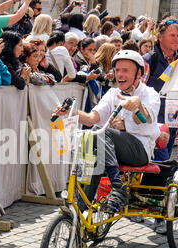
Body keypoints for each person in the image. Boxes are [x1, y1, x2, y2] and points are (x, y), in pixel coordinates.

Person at [54, 50, 160, 214]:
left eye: (126, 70)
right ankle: (80, 213)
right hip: (109, 149)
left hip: (139, 150)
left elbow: (144, 119)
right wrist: (70, 112)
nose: (120, 74)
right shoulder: (112, 94)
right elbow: (91, 118)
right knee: (92, 154)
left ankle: (118, 187)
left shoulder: (149, 94)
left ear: (139, 73)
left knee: (99, 134)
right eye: (117, 70)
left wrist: (137, 105)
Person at [143, 16, 178, 162]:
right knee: (162, 161)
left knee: (163, 161)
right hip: (154, 123)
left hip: (173, 119)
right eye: (172, 35)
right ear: (160, 37)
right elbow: (137, 90)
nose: (177, 39)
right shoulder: (149, 60)